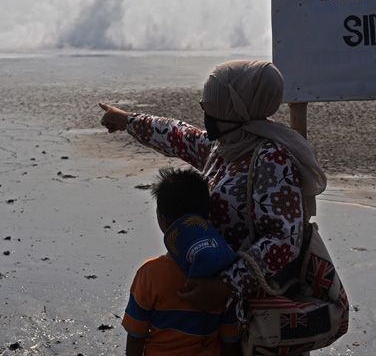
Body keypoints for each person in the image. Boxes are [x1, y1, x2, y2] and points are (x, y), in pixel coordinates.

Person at [101, 60, 327, 318]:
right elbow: (178, 135)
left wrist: (226, 285)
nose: (205, 112)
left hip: (254, 307)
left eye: (210, 106)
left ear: (237, 108)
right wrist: (127, 120)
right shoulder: (225, 147)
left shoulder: (271, 158)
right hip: (217, 303)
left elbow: (283, 240)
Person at [122, 167, 241, 356]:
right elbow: (230, 340)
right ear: (207, 218)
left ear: (162, 221)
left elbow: (136, 335)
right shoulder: (225, 278)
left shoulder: (150, 273)